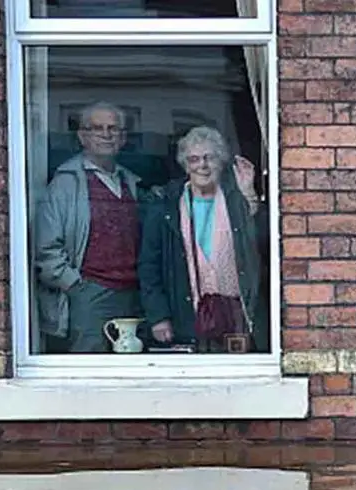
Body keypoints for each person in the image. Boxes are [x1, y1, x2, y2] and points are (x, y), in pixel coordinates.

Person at [138, 125, 269, 354]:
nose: (202, 165)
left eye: (210, 158)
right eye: (194, 159)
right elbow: (149, 266)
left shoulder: (237, 200)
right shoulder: (166, 205)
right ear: (185, 164)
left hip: (238, 316)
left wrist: (249, 193)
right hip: (186, 314)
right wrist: (159, 316)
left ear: (221, 161)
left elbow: (264, 245)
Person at [30, 102, 148, 353]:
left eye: (113, 128)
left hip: (134, 295)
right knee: (90, 371)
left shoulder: (133, 182)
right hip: (90, 296)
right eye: (97, 128)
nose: (106, 134)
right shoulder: (65, 183)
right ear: (82, 136)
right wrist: (76, 287)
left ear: (124, 137)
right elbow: (45, 249)